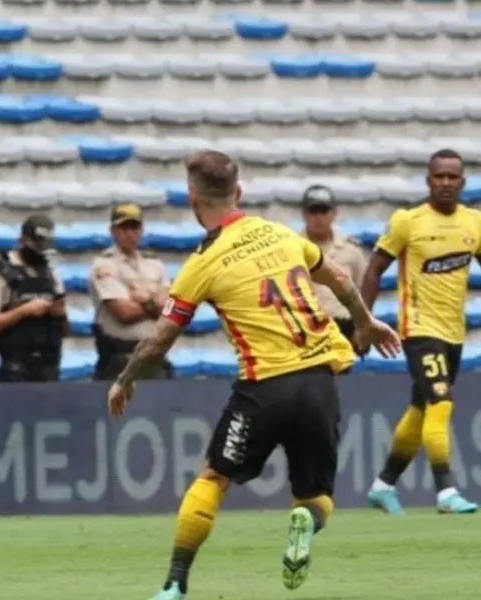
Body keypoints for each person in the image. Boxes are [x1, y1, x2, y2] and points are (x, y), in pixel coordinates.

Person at [106, 150, 401, 600]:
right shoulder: (280, 234)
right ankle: (304, 523)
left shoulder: (201, 263)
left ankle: (174, 584)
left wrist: (125, 379)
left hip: (263, 389)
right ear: (238, 192)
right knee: (316, 499)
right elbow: (339, 276)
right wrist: (364, 322)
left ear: (192, 199)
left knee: (212, 478)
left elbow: (159, 340)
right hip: (320, 381)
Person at [364, 148, 481, 516]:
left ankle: (383, 486)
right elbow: (373, 271)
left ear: (463, 182)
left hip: (453, 333)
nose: (445, 183)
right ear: (428, 180)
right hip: (419, 329)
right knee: (441, 403)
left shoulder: (474, 223)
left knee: (421, 408)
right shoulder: (408, 222)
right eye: (438, 176)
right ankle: (446, 492)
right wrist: (365, 323)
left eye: (452, 177)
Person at [0, 214, 67, 382]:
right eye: (36, 248)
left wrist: (59, 313)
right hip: (16, 370)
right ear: (22, 241)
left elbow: (65, 331)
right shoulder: (0, 271)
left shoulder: (51, 272)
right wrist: (24, 311)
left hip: (49, 369)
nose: (40, 255)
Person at [91, 203, 173, 380]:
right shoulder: (105, 265)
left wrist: (143, 299)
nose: (129, 233)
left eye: (134, 227)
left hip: (154, 356)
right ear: (112, 231)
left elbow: (170, 309)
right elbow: (124, 312)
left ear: (141, 230)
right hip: (120, 358)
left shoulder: (154, 264)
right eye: (123, 227)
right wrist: (153, 302)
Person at [299, 185, 368, 344]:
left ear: (334, 213)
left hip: (343, 325)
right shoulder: (293, 248)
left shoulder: (351, 250)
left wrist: (362, 326)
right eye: (313, 211)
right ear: (304, 213)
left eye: (323, 211)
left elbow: (361, 290)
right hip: (308, 327)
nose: (318, 217)